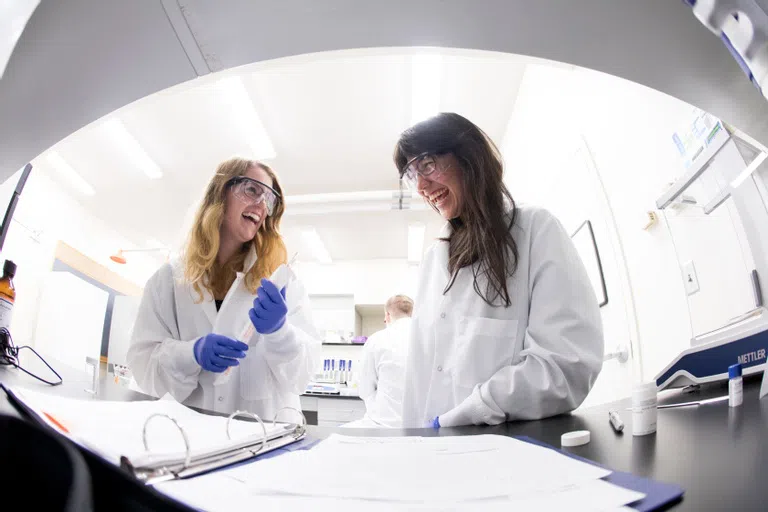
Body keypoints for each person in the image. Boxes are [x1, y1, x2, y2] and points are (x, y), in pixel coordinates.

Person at [393, 113, 604, 428]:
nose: (422, 186)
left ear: (468, 156)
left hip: (508, 450)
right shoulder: (432, 262)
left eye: (427, 165)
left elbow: (565, 364)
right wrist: (413, 439)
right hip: (433, 455)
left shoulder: (535, 231)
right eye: (412, 175)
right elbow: (419, 376)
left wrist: (471, 411)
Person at [127, 157, 320, 418]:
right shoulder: (168, 281)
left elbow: (303, 376)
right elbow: (143, 368)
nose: (261, 205)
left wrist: (280, 332)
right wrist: (190, 354)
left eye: (269, 199)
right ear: (221, 191)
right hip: (188, 438)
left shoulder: (282, 282)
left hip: (262, 438)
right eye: (252, 190)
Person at [345, 294, 414, 428]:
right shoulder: (428, 338)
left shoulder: (376, 340)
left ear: (387, 316)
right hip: (421, 427)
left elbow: (364, 388)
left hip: (383, 424)